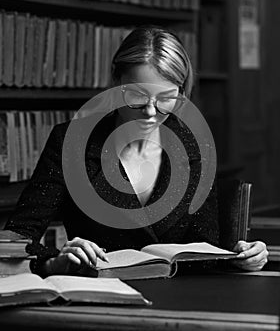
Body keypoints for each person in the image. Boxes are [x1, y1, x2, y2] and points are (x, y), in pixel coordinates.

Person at [5, 26, 268, 276]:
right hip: (100, 298)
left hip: (180, 298)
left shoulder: (196, 147)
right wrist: (54, 261)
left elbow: (204, 249)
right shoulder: (71, 143)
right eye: (137, 96)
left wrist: (240, 257)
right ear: (115, 81)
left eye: (167, 99)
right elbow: (17, 238)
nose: (151, 112)